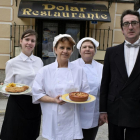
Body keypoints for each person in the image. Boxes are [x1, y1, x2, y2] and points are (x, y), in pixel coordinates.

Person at [32, 34, 90, 140]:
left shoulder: (79, 70)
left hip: (72, 118)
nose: (65, 51)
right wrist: (53, 100)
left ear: (72, 51)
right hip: (52, 116)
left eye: (68, 48)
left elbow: (86, 92)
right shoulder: (45, 71)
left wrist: (76, 98)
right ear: (55, 49)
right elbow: (37, 94)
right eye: (62, 47)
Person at [99, 10, 140, 140]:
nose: (130, 27)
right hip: (115, 108)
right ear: (122, 29)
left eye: (134, 23)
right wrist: (103, 110)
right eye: (126, 24)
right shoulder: (111, 52)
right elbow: (105, 82)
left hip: (138, 109)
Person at [0, 29, 43, 140]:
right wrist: (4, 89)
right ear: (21, 41)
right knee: (15, 135)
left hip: (34, 104)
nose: (29, 43)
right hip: (17, 105)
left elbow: (41, 82)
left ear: (35, 43)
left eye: (32, 40)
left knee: (31, 134)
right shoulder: (12, 63)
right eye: (27, 39)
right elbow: (8, 86)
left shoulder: (39, 61)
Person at [72, 37, 103, 140]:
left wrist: (103, 112)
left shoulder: (101, 67)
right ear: (80, 51)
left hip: (93, 112)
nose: (87, 49)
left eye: (90, 47)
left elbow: (104, 92)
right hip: (74, 112)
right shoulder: (72, 66)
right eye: (84, 47)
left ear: (95, 51)